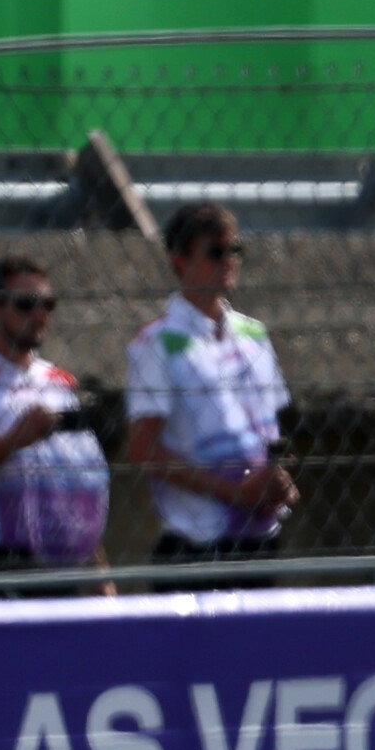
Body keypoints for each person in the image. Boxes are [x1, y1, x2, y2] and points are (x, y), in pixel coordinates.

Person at [124, 202, 296, 563]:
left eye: (235, 249)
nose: (228, 259)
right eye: (216, 251)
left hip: (261, 535)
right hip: (198, 543)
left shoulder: (254, 334)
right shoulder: (158, 342)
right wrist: (233, 492)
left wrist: (278, 478)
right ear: (180, 262)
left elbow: (274, 430)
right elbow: (142, 448)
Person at [0, 254, 112, 572]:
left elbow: (81, 485)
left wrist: (100, 576)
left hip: (59, 563)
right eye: (26, 304)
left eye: (47, 304)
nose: (40, 314)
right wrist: (12, 442)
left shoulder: (59, 382)